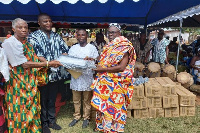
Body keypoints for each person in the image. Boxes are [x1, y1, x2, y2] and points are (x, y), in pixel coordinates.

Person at [2, 18, 62, 133]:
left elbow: (35, 57)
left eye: (25, 27)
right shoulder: (10, 43)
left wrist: (49, 62)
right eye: (20, 27)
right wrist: (48, 63)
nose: (24, 30)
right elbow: (24, 64)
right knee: (18, 111)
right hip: (17, 86)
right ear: (13, 29)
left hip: (31, 83)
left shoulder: (27, 43)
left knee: (32, 108)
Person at [91, 23, 136, 133]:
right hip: (105, 82)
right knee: (104, 106)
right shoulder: (109, 46)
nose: (110, 34)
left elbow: (121, 67)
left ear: (119, 33)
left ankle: (113, 129)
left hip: (117, 83)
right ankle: (102, 127)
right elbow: (104, 62)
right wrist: (93, 61)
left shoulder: (124, 46)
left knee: (114, 106)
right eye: (109, 32)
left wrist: (101, 70)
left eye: (113, 32)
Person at [28, 13, 69, 133]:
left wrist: (62, 60)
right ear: (39, 23)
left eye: (50, 21)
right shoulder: (33, 37)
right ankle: (44, 123)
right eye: (45, 21)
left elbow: (64, 50)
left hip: (56, 74)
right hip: (43, 74)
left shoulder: (56, 36)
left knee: (52, 98)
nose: (48, 23)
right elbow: (37, 55)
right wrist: (50, 64)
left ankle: (52, 120)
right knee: (43, 99)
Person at [68, 29, 98, 128]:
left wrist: (90, 61)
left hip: (87, 77)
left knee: (87, 99)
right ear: (76, 36)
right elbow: (70, 61)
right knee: (76, 99)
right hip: (76, 77)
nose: (81, 37)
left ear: (87, 36)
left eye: (83, 35)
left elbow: (96, 63)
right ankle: (76, 116)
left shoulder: (92, 48)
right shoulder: (73, 48)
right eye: (79, 35)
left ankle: (86, 117)